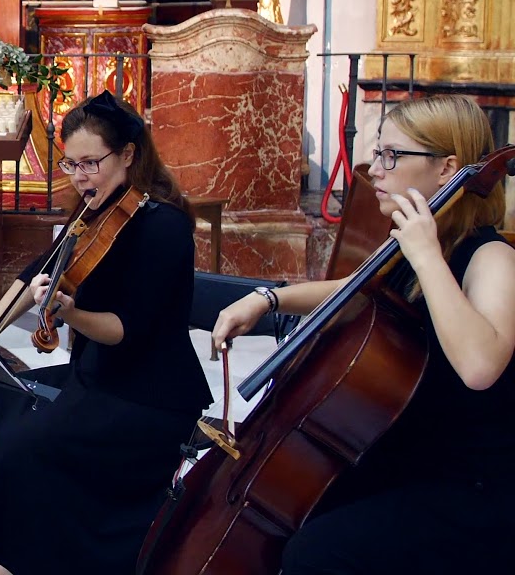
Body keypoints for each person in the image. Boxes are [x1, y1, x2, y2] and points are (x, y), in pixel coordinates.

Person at [0, 92, 213, 575]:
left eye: (90, 163)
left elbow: (123, 330)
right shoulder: (92, 211)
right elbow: (34, 278)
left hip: (148, 394)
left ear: (129, 155)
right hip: (97, 375)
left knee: (23, 449)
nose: (78, 176)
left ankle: (26, 560)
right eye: (70, 164)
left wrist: (69, 313)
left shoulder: (164, 226)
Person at [213, 94, 515, 574]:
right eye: (377, 153)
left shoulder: (489, 257)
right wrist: (268, 298)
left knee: (318, 553)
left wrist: (427, 255)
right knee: (295, 520)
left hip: (470, 486)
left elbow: (481, 367)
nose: (374, 169)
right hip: (407, 458)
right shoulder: (417, 248)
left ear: (447, 168)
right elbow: (352, 289)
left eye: (391, 155)